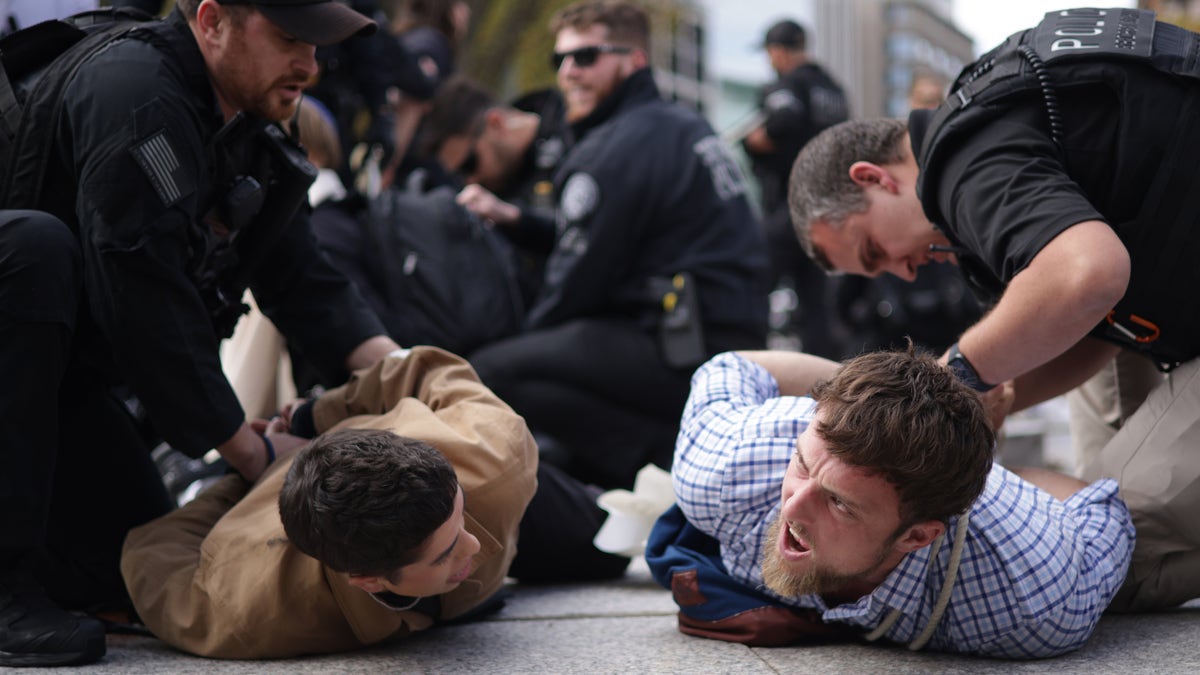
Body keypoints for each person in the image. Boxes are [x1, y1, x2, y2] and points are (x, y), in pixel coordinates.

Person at [0, 1, 402, 666]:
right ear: (213, 21)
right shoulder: (134, 92)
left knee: (132, 566)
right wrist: (252, 453)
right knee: (35, 249)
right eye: (289, 38)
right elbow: (144, 298)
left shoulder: (247, 111)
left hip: (51, 373)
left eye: (317, 44)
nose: (310, 63)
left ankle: (45, 570)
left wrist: (410, 375)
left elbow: (299, 272)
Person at [786, 7, 1200, 612]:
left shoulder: (963, 158)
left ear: (874, 177)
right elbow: (1096, 325)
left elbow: (1089, 274)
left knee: (1078, 561)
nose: (901, 271)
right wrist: (986, 406)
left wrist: (951, 378)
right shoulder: (993, 103)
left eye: (876, 251)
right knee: (1087, 495)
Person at [122, 346, 625, 658]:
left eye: (458, 521)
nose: (473, 545)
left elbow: (426, 366)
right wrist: (249, 474)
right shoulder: (246, 611)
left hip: (484, 489)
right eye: (446, 553)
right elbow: (151, 548)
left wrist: (313, 417)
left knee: (613, 542)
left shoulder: (494, 455)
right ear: (366, 579)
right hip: (262, 488)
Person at [647, 347, 1133, 657]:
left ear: (918, 536)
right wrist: (875, 410)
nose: (791, 508)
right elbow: (731, 367)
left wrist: (995, 473)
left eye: (839, 504)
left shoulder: (1034, 604)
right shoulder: (725, 467)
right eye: (802, 467)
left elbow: (1104, 508)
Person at [466, 0, 770, 491]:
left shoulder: (615, 148)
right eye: (560, 60)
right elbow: (614, 233)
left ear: (634, 59)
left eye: (586, 57)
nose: (569, 72)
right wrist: (518, 220)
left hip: (682, 351)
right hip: (721, 338)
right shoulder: (676, 124)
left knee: (489, 372)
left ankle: (662, 465)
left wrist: (523, 341)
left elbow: (576, 281)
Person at [741, 18, 848, 359]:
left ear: (779, 52)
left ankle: (749, 369)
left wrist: (755, 140)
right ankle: (820, 382)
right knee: (816, 303)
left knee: (754, 290)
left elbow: (781, 120)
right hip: (826, 208)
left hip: (787, 206)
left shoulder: (787, 85)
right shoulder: (833, 90)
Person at [420, 76, 567, 305]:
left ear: (496, 123)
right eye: (459, 174)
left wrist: (515, 219)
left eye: (470, 163)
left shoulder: (570, 132)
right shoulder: (493, 184)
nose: (471, 180)